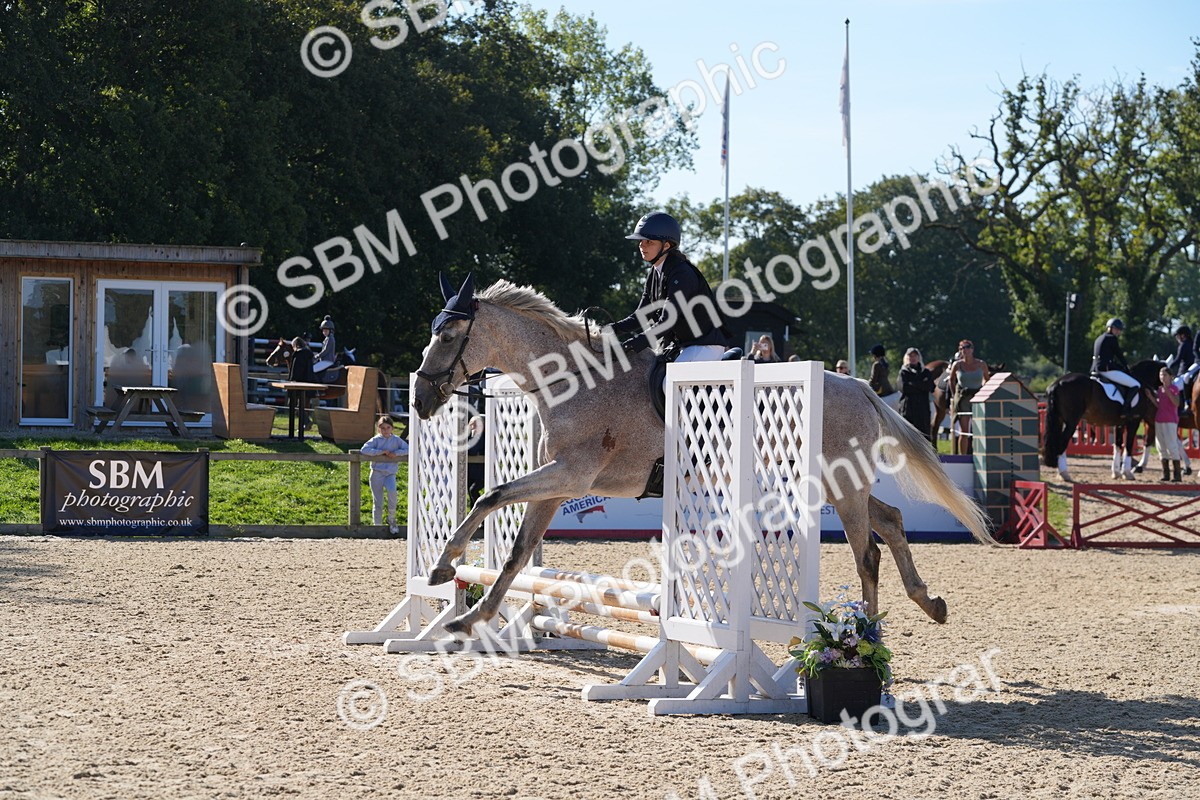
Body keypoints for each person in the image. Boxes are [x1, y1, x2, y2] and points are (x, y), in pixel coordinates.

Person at [612, 211, 730, 364]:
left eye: (649, 242)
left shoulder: (682, 274)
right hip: (680, 346)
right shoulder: (654, 273)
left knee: (669, 382)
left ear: (666, 245)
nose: (642, 245)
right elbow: (641, 315)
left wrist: (636, 343)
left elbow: (668, 320)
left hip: (703, 345)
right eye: (641, 241)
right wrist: (612, 329)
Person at [361, 416, 409, 533]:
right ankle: (377, 525)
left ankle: (391, 519)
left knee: (392, 493)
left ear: (392, 428)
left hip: (390, 474)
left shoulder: (396, 440)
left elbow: (408, 449)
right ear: (379, 429)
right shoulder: (376, 440)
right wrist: (380, 452)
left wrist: (396, 454)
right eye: (383, 428)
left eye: (388, 428)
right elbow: (364, 450)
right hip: (377, 473)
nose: (385, 430)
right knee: (378, 500)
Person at [1091, 318, 1141, 419]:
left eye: (1119, 330)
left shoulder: (1099, 338)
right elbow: (1119, 354)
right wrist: (1126, 366)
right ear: (1110, 328)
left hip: (1095, 369)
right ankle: (1125, 410)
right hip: (1106, 370)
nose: (1118, 332)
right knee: (1136, 384)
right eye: (1116, 329)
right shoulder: (1111, 338)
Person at [948, 339, 990, 454]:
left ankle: (980, 454)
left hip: (978, 398)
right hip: (964, 398)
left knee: (979, 430)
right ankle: (963, 456)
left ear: (972, 349)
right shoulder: (957, 365)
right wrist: (954, 395)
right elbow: (951, 380)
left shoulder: (981, 364)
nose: (964, 350)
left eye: (966, 347)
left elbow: (987, 379)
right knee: (964, 431)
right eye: (961, 348)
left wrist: (984, 392)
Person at [897, 347, 935, 446]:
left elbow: (930, 387)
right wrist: (921, 385)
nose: (912, 358)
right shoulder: (903, 372)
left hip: (923, 410)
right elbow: (904, 388)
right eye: (910, 356)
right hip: (908, 409)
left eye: (915, 355)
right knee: (907, 437)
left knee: (924, 437)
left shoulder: (926, 372)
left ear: (919, 357)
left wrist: (913, 384)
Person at [1155, 367, 1185, 482]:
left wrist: (1168, 391)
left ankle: (1177, 474)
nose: (1162, 377)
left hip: (1170, 420)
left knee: (1172, 445)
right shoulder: (1159, 389)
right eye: (1161, 375)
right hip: (1159, 419)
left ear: (1170, 376)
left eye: (1164, 375)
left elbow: (1176, 403)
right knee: (1161, 446)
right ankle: (1166, 473)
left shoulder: (1174, 389)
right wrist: (1152, 398)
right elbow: (1160, 405)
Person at [1170, 325, 1199, 410]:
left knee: (1175, 386)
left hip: (1185, 370)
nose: (1177, 338)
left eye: (1178, 336)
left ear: (1183, 335)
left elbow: (1178, 359)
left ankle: (1185, 404)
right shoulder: (1192, 343)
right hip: (1194, 367)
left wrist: (1169, 366)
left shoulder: (1183, 345)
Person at [314, 315, 338, 383]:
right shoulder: (327, 338)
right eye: (323, 330)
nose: (324, 332)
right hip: (324, 360)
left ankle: (318, 388)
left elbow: (325, 351)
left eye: (326, 330)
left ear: (330, 330)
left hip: (327, 361)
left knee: (313, 369)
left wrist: (316, 356)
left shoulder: (330, 339)